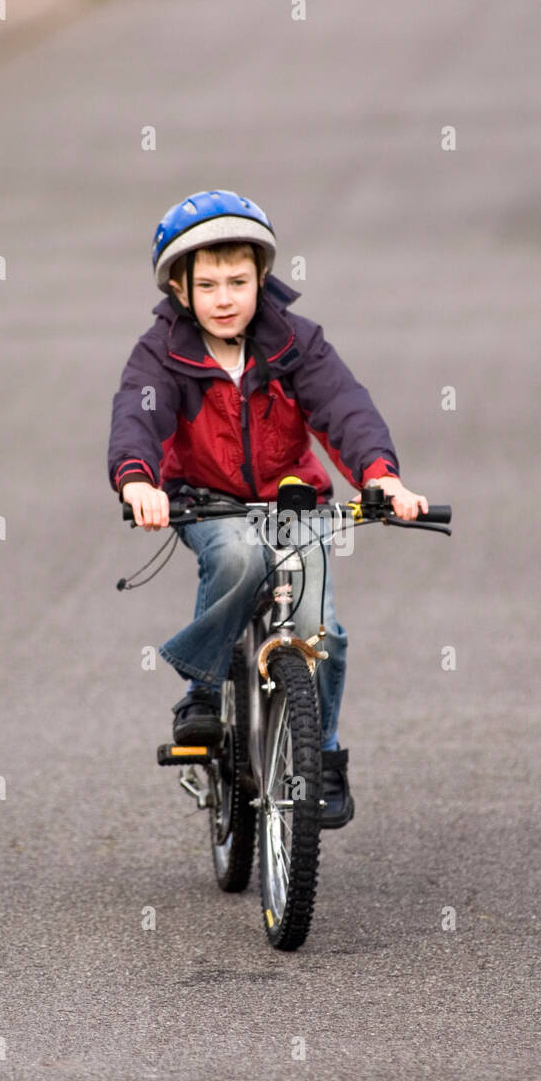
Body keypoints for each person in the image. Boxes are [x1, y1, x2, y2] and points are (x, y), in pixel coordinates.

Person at [107, 189, 427, 828]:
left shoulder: (296, 343)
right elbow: (137, 416)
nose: (224, 298)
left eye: (239, 281)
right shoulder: (160, 353)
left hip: (292, 500)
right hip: (206, 503)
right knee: (236, 553)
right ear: (178, 288)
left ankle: (322, 756)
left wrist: (382, 477)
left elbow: (345, 409)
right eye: (208, 285)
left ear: (263, 280)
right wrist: (139, 481)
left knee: (323, 632)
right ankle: (202, 692)